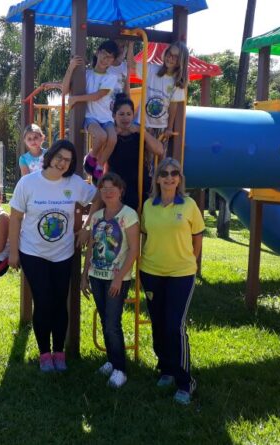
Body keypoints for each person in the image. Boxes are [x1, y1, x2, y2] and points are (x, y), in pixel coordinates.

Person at [9, 139, 98, 372]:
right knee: (44, 302)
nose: (62, 163)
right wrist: (13, 252)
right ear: (50, 156)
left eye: (68, 160)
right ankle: (44, 354)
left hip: (63, 253)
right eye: (59, 157)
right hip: (33, 252)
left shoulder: (75, 183)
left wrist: (87, 227)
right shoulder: (28, 183)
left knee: (60, 303)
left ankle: (59, 352)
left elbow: (99, 197)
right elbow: (16, 217)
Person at [139, 157, 204, 405]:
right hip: (152, 272)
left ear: (179, 179)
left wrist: (191, 262)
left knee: (174, 326)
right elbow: (145, 236)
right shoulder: (148, 206)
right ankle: (165, 368)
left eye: (173, 173)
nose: (168, 177)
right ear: (157, 179)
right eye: (164, 173)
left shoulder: (189, 205)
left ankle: (185, 381)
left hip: (181, 274)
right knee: (157, 323)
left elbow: (198, 237)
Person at [80, 173, 139, 388]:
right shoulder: (96, 216)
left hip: (117, 279)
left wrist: (119, 278)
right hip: (97, 276)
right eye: (103, 188)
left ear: (121, 190)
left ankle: (120, 369)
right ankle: (112, 361)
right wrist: (84, 274)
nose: (107, 191)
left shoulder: (129, 215)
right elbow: (92, 248)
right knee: (105, 321)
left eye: (112, 187)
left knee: (113, 324)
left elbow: (134, 249)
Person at [62, 40, 120, 183]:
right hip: (90, 117)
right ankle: (91, 157)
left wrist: (76, 98)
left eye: (110, 57)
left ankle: (99, 165)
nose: (106, 59)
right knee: (101, 137)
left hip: (106, 117)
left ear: (113, 61)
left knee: (112, 139)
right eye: (104, 54)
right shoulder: (85, 74)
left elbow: (98, 95)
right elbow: (64, 90)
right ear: (97, 52)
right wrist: (71, 67)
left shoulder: (111, 77)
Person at [106, 94, 165, 211]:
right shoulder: (110, 134)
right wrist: (112, 137)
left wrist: (141, 131)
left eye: (129, 114)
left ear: (133, 115)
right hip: (117, 184)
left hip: (139, 183)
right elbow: (99, 157)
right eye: (121, 114)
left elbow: (159, 150)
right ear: (114, 115)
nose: (125, 118)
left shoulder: (139, 133)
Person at [128, 41, 189, 151]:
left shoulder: (177, 82)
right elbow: (131, 64)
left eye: (175, 57)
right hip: (142, 122)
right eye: (169, 54)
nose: (170, 58)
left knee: (158, 155)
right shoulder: (152, 69)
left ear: (181, 61)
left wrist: (169, 128)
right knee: (140, 155)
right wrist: (131, 44)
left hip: (160, 126)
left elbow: (173, 106)